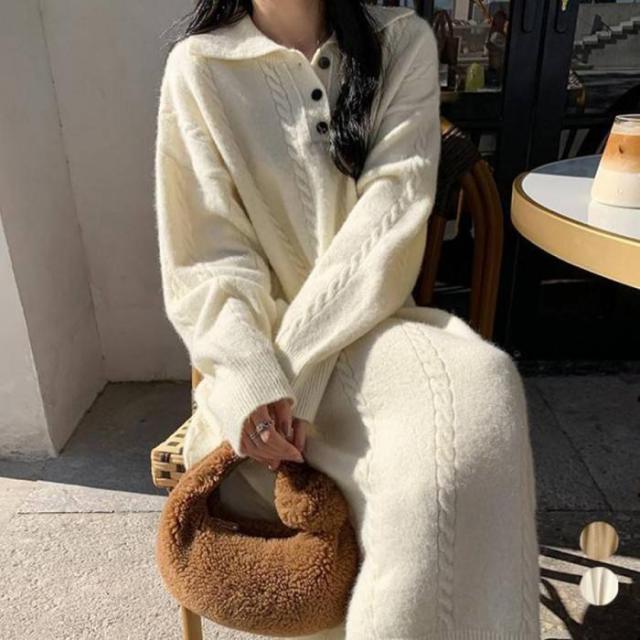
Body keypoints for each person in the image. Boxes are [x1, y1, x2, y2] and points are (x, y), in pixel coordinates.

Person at [153, 1, 541, 638]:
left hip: (374, 327)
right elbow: (206, 260)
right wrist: (252, 376)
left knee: (483, 389)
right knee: (422, 487)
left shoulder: (401, 43)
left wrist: (300, 369)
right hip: (258, 353)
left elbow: (392, 218)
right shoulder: (199, 67)